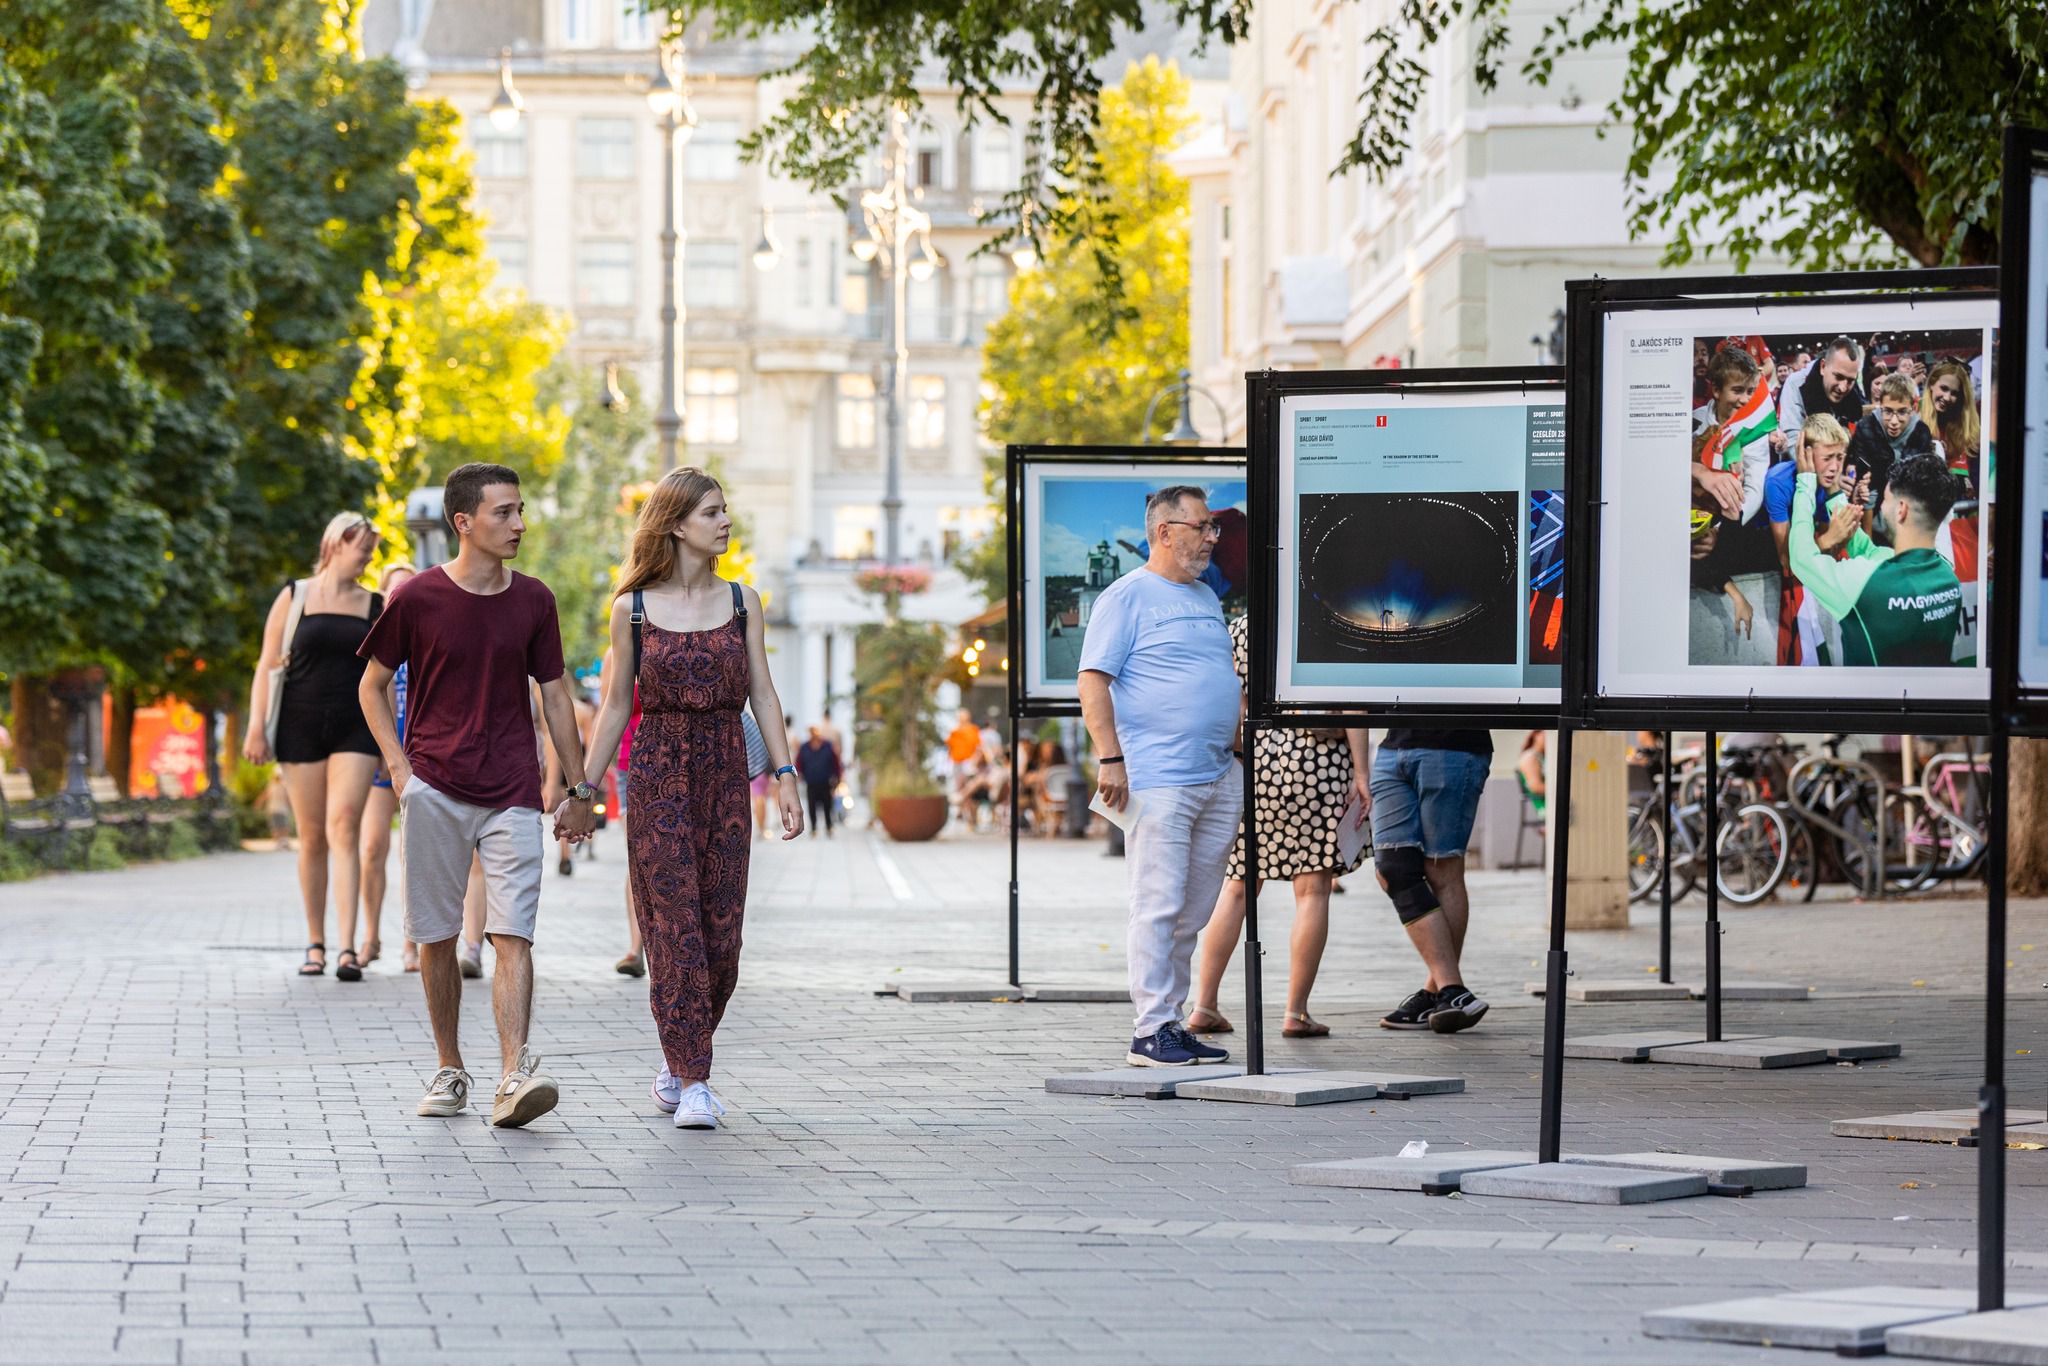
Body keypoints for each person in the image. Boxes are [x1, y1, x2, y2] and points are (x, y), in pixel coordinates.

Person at [358, 462, 594, 1128]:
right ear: (464, 522)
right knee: (435, 937)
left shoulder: (535, 601)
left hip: (514, 791)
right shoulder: (417, 599)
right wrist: (401, 771)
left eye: (521, 511)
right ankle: (450, 1068)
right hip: (435, 789)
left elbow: (554, 697)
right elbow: (370, 686)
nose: (518, 524)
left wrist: (576, 789)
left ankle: (514, 1072)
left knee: (512, 932)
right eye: (503, 513)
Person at [581, 467, 804, 1131]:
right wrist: (582, 790)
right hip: (655, 771)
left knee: (721, 936)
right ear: (678, 523)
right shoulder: (634, 609)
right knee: (673, 926)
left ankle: (678, 1061)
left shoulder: (743, 602)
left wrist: (785, 776)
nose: (726, 522)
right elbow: (618, 705)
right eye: (713, 512)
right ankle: (697, 1079)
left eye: (725, 511)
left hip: (725, 770)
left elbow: (763, 692)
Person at [1078, 485, 1241, 1068]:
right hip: (1156, 778)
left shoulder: (1203, 597)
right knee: (1157, 903)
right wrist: (1110, 759)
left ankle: (1171, 1020)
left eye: (1213, 528)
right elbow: (1093, 680)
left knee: (1193, 910)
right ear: (1164, 531)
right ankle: (1149, 1030)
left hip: (1218, 775)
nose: (1210, 538)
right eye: (1201, 527)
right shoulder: (1126, 597)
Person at [1187, 616, 1370, 1039]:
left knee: (1237, 885)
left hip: (1257, 758)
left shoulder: (1240, 628)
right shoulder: (1337, 624)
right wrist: (1362, 774)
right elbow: (1354, 704)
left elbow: (1233, 701)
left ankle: (1204, 1005)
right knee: (1312, 889)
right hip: (1320, 760)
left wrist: (1237, 756)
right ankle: (1295, 1012)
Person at [244, 512, 385, 982]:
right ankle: (315, 942)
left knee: (343, 824)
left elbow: (383, 678)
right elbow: (267, 665)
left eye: (370, 548)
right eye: (362, 545)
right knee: (311, 836)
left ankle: (347, 946)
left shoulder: (375, 605)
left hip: (355, 727)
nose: (368, 555)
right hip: (298, 725)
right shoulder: (294, 596)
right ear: (336, 543)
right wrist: (255, 728)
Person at [1788, 447, 1968, 666]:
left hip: (1872, 699)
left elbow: (1801, 557)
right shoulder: (1948, 577)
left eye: (1885, 499)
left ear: (1901, 510)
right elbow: (1873, 553)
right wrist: (1835, 494)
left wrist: (1805, 483)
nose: (1881, 507)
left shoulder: (1864, 583)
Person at [1372, 730, 1493, 1033]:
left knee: (1443, 870)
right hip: (1393, 746)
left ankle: (1442, 990)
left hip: (1453, 743)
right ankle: (1449, 991)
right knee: (1392, 870)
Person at [1765, 415, 1866, 666]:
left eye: (1840, 458)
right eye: (1827, 458)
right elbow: (1787, 560)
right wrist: (1830, 538)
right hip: (1766, 565)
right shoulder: (1777, 482)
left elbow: (1831, 555)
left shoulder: (1829, 485)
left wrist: (1839, 533)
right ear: (1806, 454)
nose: (1834, 467)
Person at [360, 562, 417, 971]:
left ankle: (413, 944)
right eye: (394, 590)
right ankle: (369, 937)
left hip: (420, 760)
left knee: (413, 854)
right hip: (380, 757)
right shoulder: (372, 643)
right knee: (370, 848)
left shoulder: (426, 635)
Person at [1847, 370, 1934, 509]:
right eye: (1887, 411)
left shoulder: (1921, 433)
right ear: (1880, 405)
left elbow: (1921, 482)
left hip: (1908, 508)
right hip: (1872, 510)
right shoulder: (1865, 429)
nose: (1894, 421)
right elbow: (1861, 479)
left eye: (1901, 412)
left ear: (1913, 408)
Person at [1777, 336, 1868, 457]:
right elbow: (1793, 442)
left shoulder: (1853, 393)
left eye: (1851, 381)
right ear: (1823, 367)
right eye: (1838, 377)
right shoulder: (1795, 383)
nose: (1843, 388)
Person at [1922, 359, 1981, 489]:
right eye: (1944, 388)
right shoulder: (1914, 418)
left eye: (1954, 393)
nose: (1947, 397)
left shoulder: (1969, 430)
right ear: (1931, 384)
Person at [796, 724, 842, 838]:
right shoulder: (805, 747)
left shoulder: (827, 746)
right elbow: (799, 762)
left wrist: (837, 776)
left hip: (825, 781)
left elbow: (835, 762)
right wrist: (799, 774)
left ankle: (829, 826)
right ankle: (813, 828)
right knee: (811, 806)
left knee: (827, 805)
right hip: (811, 781)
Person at [1516, 730, 1547, 816]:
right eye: (1545, 734)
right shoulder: (1530, 757)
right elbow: (1536, 787)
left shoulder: (1540, 756)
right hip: (1544, 806)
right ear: (1536, 735)